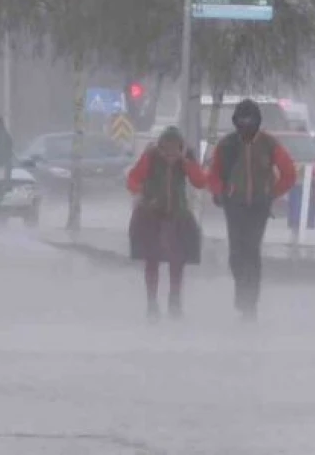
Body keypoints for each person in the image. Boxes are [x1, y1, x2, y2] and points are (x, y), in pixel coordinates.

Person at [206, 99, 297, 321]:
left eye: (250, 120)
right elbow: (214, 173)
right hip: (234, 205)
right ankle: (242, 293)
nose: (246, 124)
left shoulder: (269, 144)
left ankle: (250, 304)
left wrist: (271, 193)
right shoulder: (226, 145)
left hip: (258, 206)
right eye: (242, 120)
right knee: (236, 255)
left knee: (252, 252)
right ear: (236, 121)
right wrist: (219, 192)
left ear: (257, 121)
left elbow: (289, 173)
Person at [127, 126, 205, 321]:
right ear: (161, 146)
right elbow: (133, 179)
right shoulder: (151, 157)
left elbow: (200, 181)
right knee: (151, 260)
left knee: (177, 261)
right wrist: (142, 194)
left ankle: (174, 302)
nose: (171, 153)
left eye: (175, 148)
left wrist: (186, 163)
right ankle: (152, 304)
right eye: (167, 148)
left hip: (177, 216)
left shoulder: (186, 159)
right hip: (151, 216)